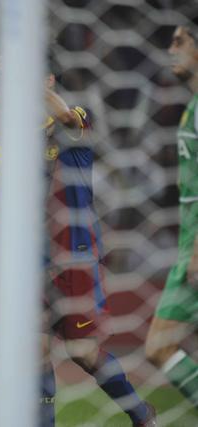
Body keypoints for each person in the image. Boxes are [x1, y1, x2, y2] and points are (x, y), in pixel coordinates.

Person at [35, 52, 156, 427]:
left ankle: (140, 413)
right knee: (35, 348)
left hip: (74, 253)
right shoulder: (18, 134)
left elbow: (68, 118)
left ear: (49, 80)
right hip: (35, 256)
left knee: (83, 353)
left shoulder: (74, 117)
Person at [145, 24, 198, 408]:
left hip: (195, 245)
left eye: (181, 41)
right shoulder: (192, 107)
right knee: (159, 347)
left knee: (159, 346)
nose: (171, 48)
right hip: (188, 240)